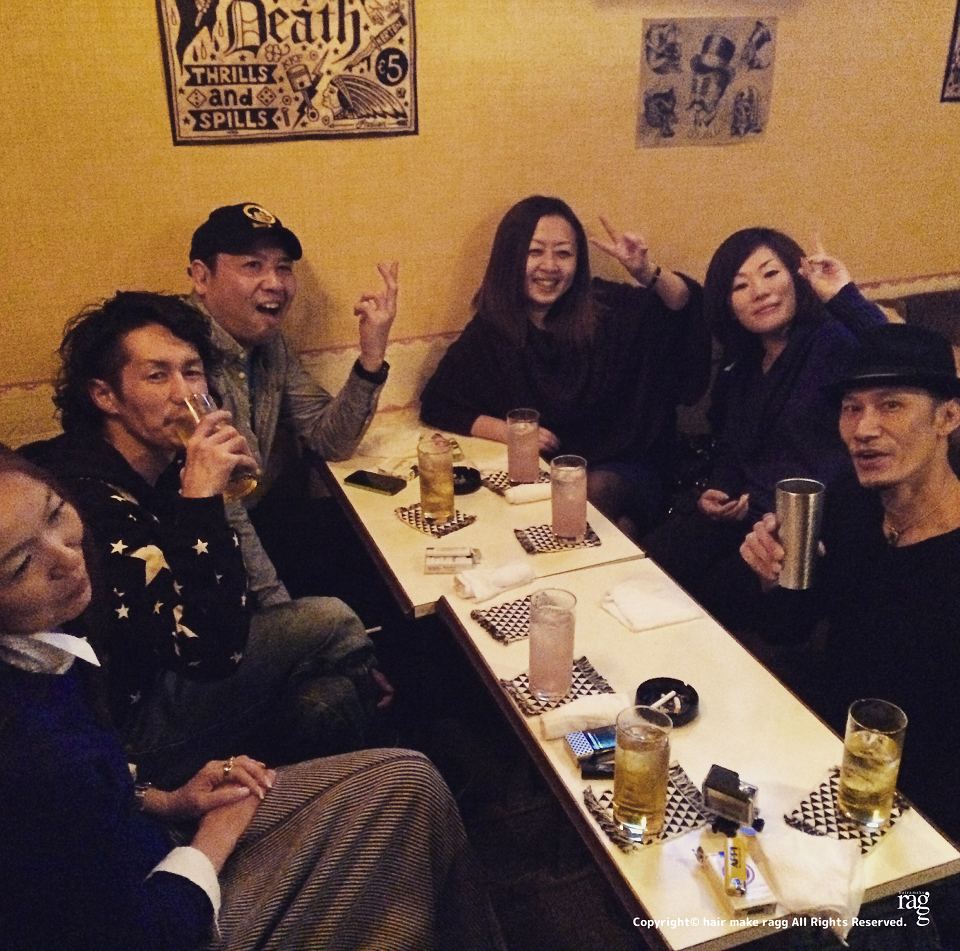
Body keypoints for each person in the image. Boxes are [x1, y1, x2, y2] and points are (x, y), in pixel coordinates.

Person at [0, 449, 506, 951]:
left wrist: (166, 799)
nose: (66, 557)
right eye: (21, 564)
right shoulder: (35, 751)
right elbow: (146, 934)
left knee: (395, 765)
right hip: (168, 910)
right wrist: (211, 840)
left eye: (56, 513)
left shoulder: (44, 649)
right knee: (401, 789)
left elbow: (100, 781)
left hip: (148, 838)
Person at [22, 292, 390, 789]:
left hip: (178, 669)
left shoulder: (168, 462)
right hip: (125, 730)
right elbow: (209, 652)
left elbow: (222, 601)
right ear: (105, 396)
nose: (183, 393)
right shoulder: (90, 498)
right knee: (332, 618)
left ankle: (355, 781)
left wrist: (210, 498)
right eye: (157, 376)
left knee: (327, 698)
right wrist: (201, 501)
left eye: (192, 372)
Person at [740, 324, 960, 845]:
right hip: (826, 756)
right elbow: (789, 629)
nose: (863, 429)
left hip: (929, 808)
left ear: (947, 418)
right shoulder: (850, 502)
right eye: (851, 408)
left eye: (891, 405)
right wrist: (771, 574)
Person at [419, 195, 710, 538]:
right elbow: (439, 402)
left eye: (563, 253)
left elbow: (682, 306)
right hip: (549, 476)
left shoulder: (606, 306)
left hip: (627, 465)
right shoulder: (492, 331)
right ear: (510, 257)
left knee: (585, 494)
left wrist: (647, 273)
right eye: (534, 251)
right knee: (591, 522)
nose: (550, 266)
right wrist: (510, 431)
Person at [642, 227, 887, 624]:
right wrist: (719, 490)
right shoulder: (742, 365)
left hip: (808, 527)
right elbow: (731, 447)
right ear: (728, 304)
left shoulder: (831, 341)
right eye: (740, 285)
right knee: (648, 561)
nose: (759, 291)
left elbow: (899, 354)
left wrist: (844, 296)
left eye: (771, 273)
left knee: (701, 601)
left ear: (797, 276)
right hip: (744, 517)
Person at [186, 202, 399, 610]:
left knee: (382, 567)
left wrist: (372, 355)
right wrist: (283, 611)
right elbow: (227, 507)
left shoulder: (270, 345)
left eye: (283, 267)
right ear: (201, 277)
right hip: (207, 554)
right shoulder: (183, 359)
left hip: (267, 522)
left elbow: (330, 440)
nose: (274, 283)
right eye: (252, 266)